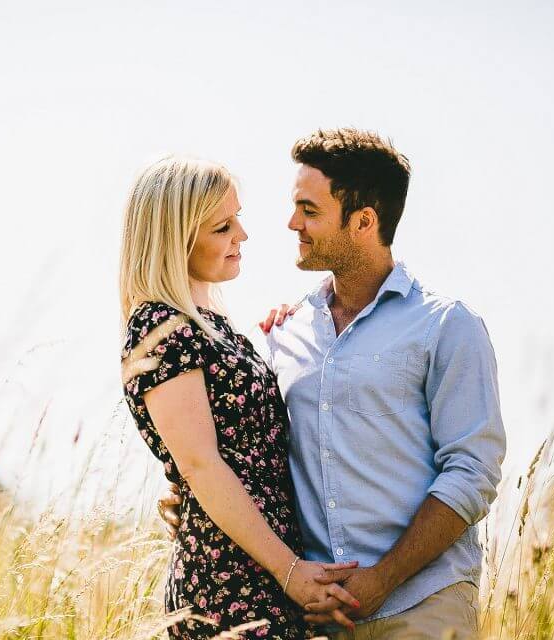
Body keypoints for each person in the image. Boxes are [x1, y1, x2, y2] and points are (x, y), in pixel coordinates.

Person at [159, 129, 507, 639]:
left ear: (364, 221)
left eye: (310, 210)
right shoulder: (282, 333)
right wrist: (181, 488)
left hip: (423, 606)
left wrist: (382, 580)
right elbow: (236, 439)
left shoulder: (446, 327)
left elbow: (473, 470)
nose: (291, 223)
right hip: (314, 617)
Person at [119, 155, 360, 639]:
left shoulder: (214, 328)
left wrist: (288, 331)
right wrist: (288, 571)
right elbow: (201, 465)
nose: (242, 236)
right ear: (176, 237)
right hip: (227, 583)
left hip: (267, 570)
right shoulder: (160, 327)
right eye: (222, 227)